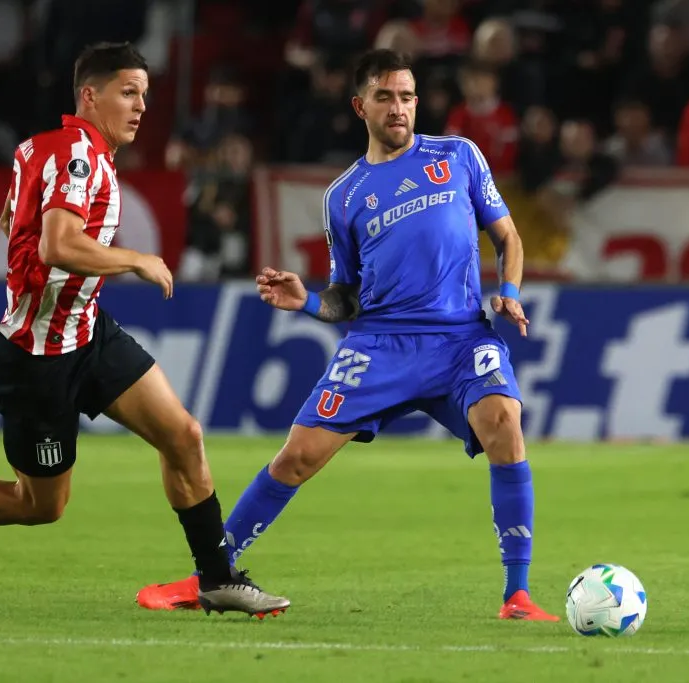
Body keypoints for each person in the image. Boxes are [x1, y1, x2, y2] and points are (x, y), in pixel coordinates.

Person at [0, 42, 289, 619]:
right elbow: (58, 244)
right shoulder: (78, 154)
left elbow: (16, 219)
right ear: (91, 95)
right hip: (36, 358)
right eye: (128, 92)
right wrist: (135, 259)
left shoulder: (46, 148)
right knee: (40, 505)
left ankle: (217, 579)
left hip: (87, 334)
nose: (140, 107)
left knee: (182, 435)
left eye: (144, 95)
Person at [136, 48, 557, 621]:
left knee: (505, 424)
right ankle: (209, 575)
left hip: (460, 338)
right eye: (385, 96)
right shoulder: (345, 196)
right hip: (380, 344)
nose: (399, 107)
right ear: (361, 106)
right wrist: (306, 299)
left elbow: (509, 238)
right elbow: (347, 297)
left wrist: (508, 288)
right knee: (296, 458)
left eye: (407, 95)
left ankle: (518, 594)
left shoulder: (458, 156)